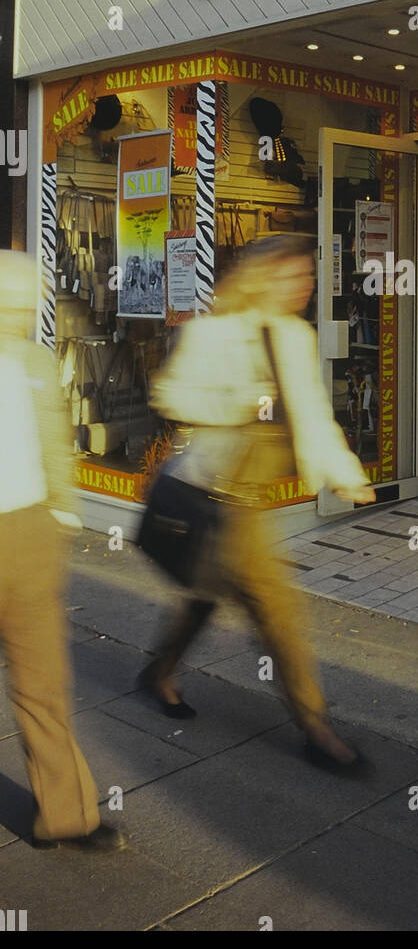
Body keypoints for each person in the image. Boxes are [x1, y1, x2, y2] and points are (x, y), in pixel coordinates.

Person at [143, 234, 376, 770]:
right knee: (275, 610)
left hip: (248, 495)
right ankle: (315, 727)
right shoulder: (212, 332)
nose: (302, 286)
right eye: (290, 276)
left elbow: (312, 411)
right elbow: (169, 394)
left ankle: (158, 672)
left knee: (202, 593)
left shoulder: (295, 336)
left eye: (306, 277)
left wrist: (345, 474)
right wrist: (238, 402)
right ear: (259, 278)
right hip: (209, 489)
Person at [0, 252, 126, 851]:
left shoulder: (30, 360)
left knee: (44, 682)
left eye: (21, 301)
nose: (15, 310)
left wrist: (60, 516)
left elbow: (54, 441)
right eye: (6, 299)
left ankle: (67, 814)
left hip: (25, 535)